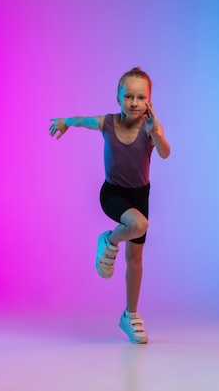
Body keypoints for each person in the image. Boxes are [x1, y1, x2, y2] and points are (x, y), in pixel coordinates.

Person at [49, 67, 170, 344]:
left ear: (149, 101)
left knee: (135, 259)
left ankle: (130, 315)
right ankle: (108, 240)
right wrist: (66, 122)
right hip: (113, 194)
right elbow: (83, 120)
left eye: (141, 98)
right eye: (129, 96)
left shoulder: (151, 129)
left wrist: (157, 134)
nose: (134, 103)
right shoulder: (108, 123)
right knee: (138, 224)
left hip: (140, 196)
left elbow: (165, 153)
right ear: (118, 98)